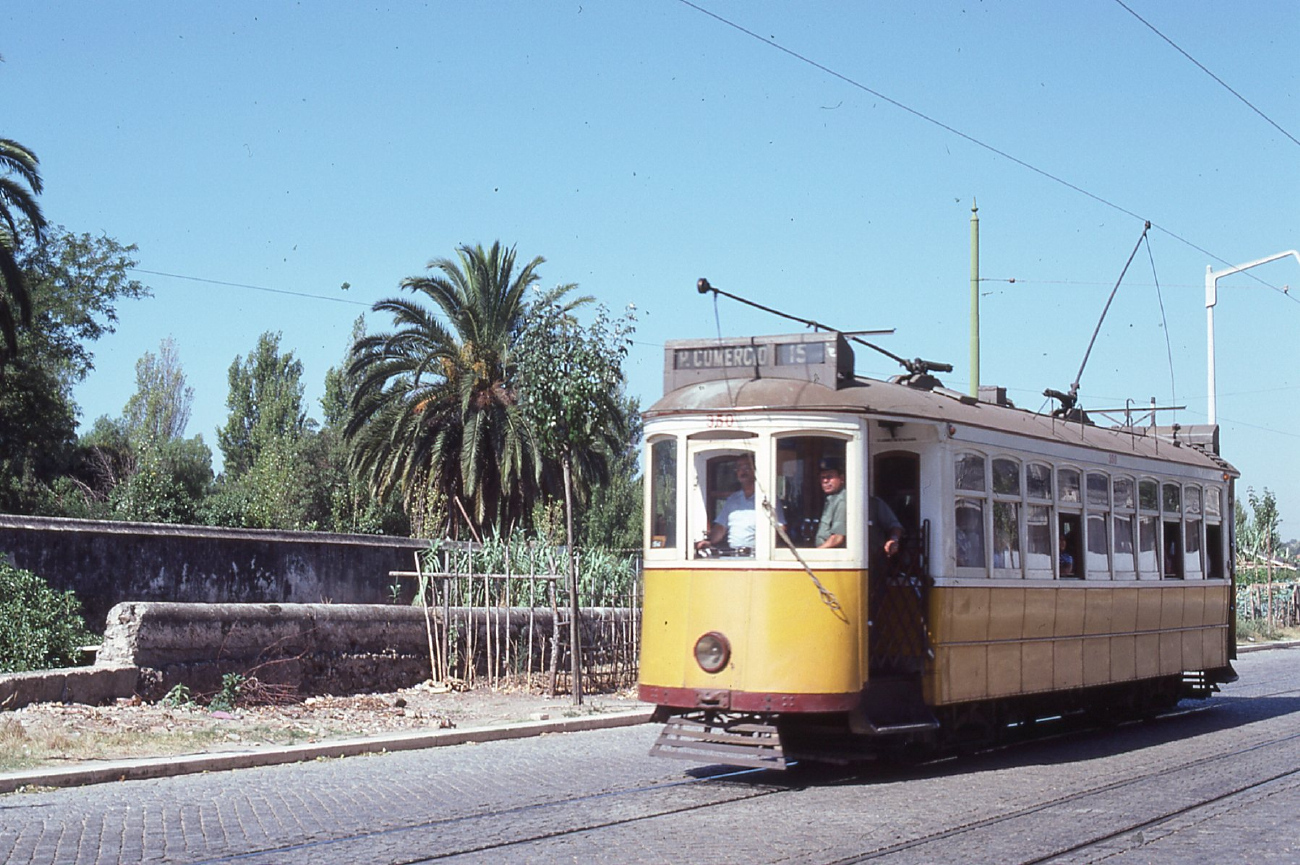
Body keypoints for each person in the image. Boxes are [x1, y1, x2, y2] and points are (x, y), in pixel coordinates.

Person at [695, 454, 782, 555]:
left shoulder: (768, 499)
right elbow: (721, 527)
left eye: (746, 467)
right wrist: (709, 542)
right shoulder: (732, 499)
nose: (742, 471)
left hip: (759, 556)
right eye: (738, 468)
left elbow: (780, 528)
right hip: (733, 555)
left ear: (756, 470)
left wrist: (768, 550)